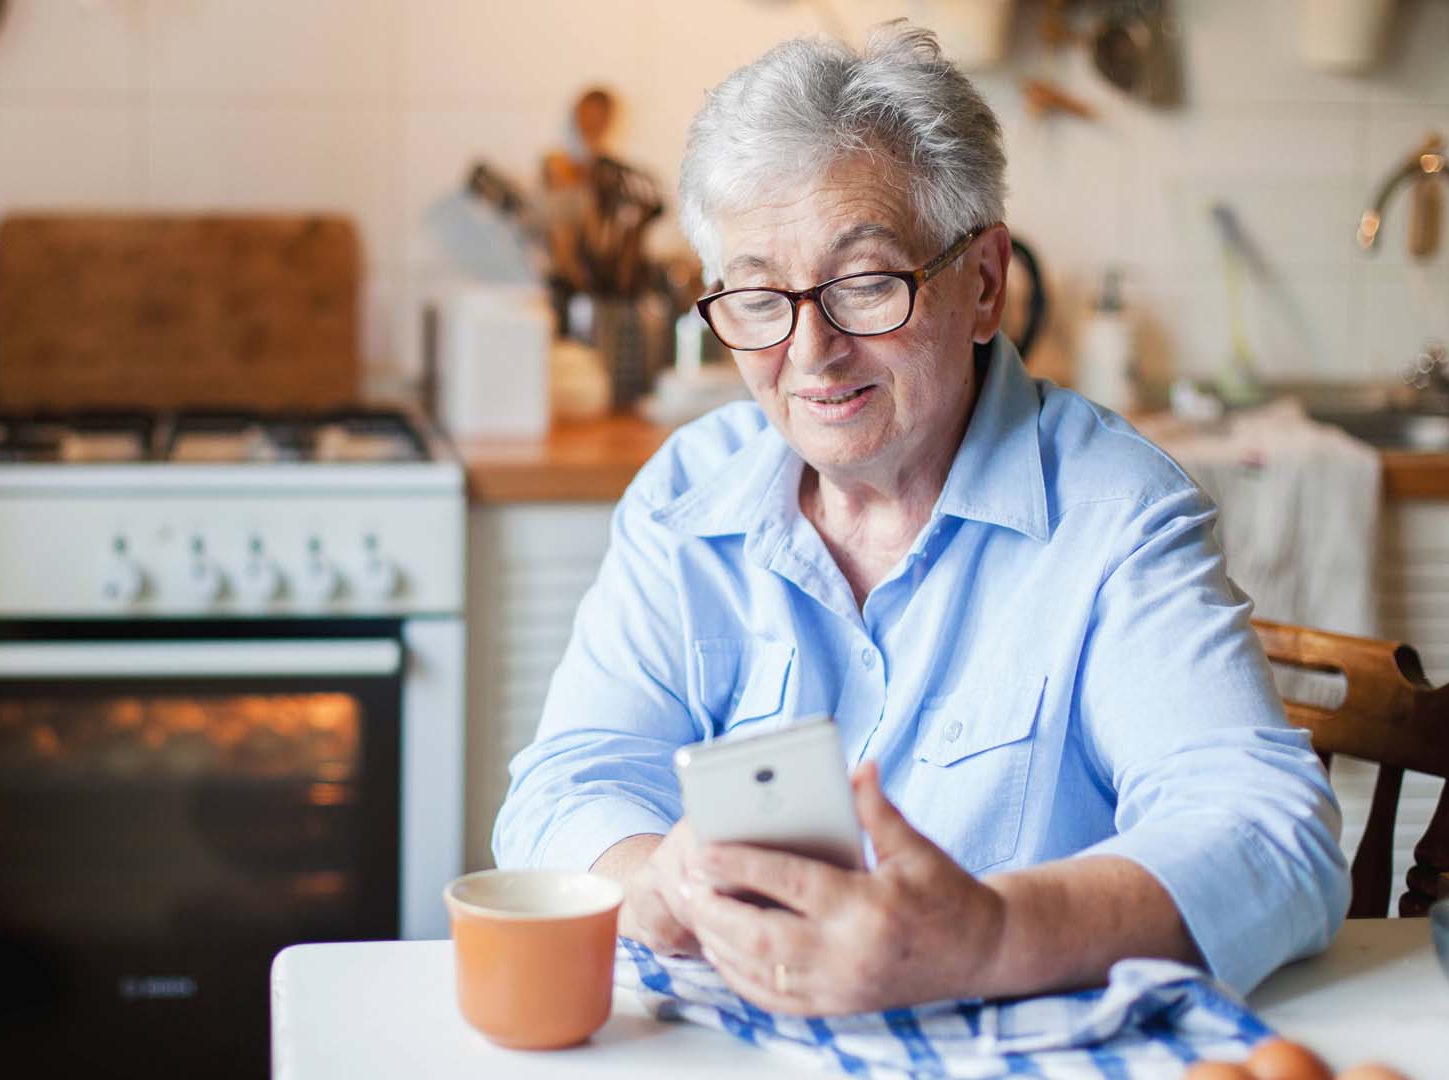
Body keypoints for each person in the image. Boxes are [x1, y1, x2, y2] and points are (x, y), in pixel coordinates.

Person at [493, 22, 1349, 1016]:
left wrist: (989, 936)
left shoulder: (1115, 514)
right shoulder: (688, 495)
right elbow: (565, 783)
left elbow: (1268, 836)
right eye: (761, 295)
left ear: (983, 284)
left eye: (863, 285)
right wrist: (659, 879)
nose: (810, 352)